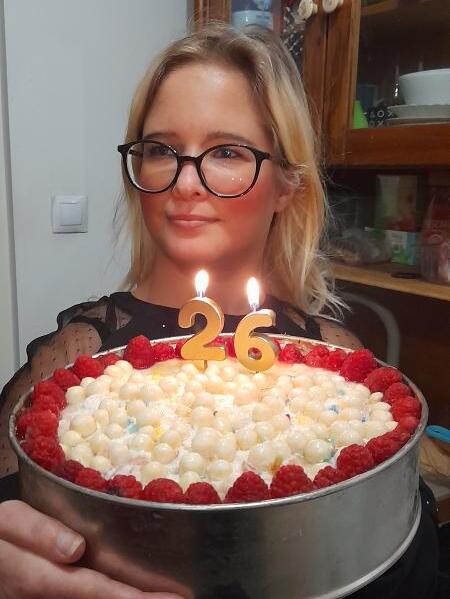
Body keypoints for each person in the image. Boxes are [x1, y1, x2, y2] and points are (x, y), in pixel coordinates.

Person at [0, 23, 445, 599]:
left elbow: (400, 547)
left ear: (288, 185)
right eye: (161, 150)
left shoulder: (335, 361)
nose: (185, 181)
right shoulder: (76, 364)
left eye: (227, 151)